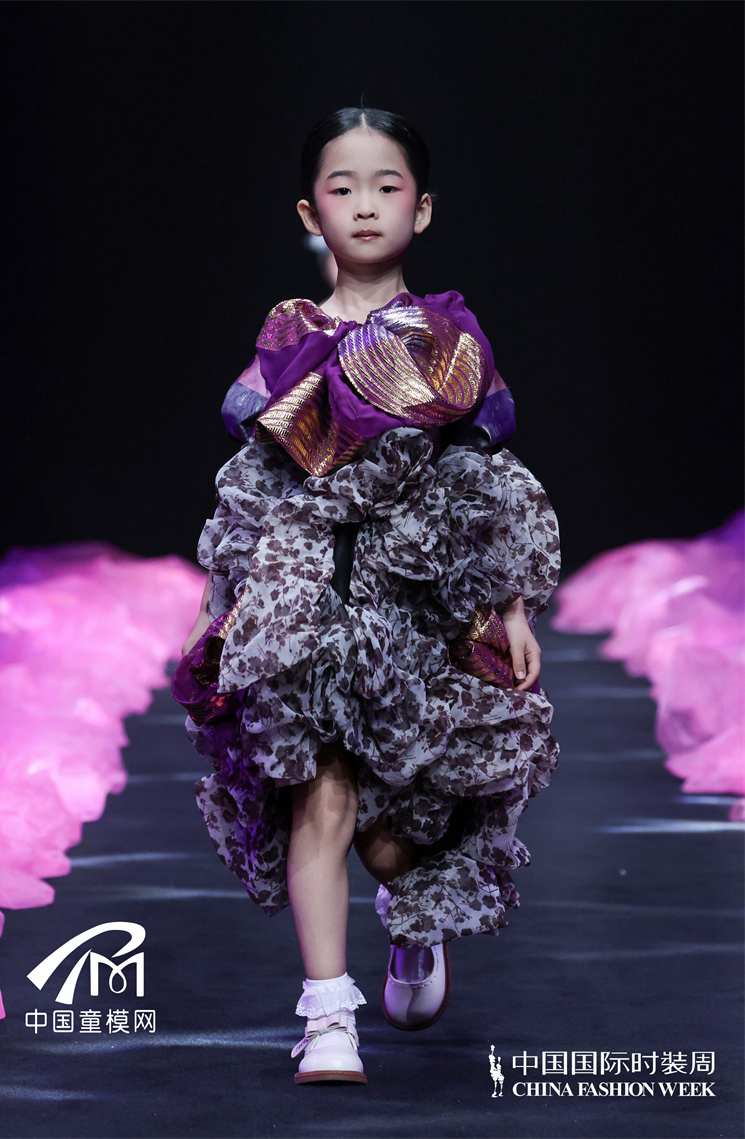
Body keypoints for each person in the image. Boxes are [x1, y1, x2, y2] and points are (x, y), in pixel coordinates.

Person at [179, 106, 560, 1085]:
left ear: (421, 209)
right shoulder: (285, 342)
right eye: (341, 188)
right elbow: (252, 481)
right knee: (320, 794)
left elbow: (487, 484)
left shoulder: (448, 342)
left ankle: (413, 919)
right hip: (308, 601)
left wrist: (510, 606)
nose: (363, 204)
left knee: (394, 840)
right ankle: (327, 1016)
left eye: (385, 186)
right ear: (311, 213)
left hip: (416, 609)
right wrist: (220, 602)